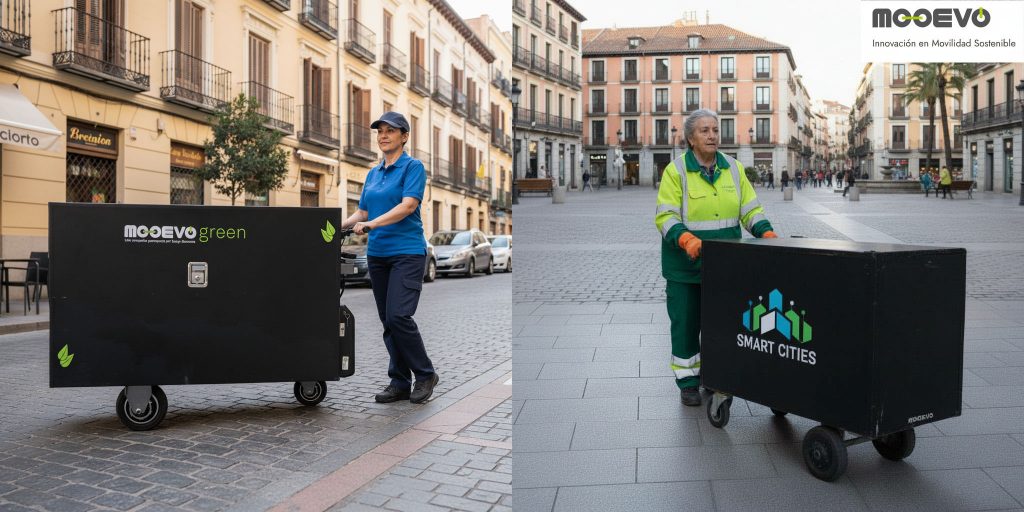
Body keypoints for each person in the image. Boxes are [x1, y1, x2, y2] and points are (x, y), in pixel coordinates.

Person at [654, 109, 777, 407]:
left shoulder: (734, 169)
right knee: (686, 323)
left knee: (721, 324)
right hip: (685, 266)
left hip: (724, 265)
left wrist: (766, 232)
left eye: (715, 130)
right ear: (691, 139)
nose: (711, 135)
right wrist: (686, 238)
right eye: (704, 131)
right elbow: (666, 215)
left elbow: (749, 209)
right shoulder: (677, 171)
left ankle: (715, 375)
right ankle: (687, 381)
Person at [340, 112, 439, 404]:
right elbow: (362, 212)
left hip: (407, 253)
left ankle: (425, 374)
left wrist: (371, 225)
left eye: (390, 131)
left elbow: (408, 206)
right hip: (379, 255)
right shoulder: (373, 173)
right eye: (380, 131)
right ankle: (399, 381)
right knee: (387, 321)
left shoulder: (413, 167)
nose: (383, 135)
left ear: (404, 136)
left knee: (399, 316)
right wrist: (334, 228)